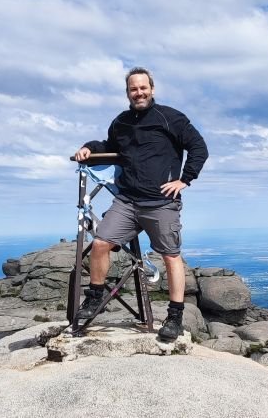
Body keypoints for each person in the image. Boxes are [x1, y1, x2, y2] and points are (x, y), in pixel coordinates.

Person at [74, 67, 208, 340]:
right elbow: (108, 145)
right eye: (133, 89)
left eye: (143, 88)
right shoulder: (120, 122)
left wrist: (185, 179)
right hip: (127, 201)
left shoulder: (170, 118)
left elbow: (198, 147)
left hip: (161, 202)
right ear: (128, 93)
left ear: (152, 89)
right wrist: (89, 147)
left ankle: (174, 317)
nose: (139, 93)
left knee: (171, 256)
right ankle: (94, 298)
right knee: (100, 243)